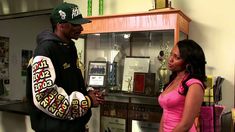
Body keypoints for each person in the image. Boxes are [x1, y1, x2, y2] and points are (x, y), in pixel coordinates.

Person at [26, 2, 104, 132]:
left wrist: (88, 93)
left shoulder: (69, 47)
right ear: (61, 25)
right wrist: (87, 102)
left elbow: (71, 83)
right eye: (75, 24)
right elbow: (46, 99)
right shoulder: (45, 51)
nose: (81, 28)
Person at [158, 39, 207, 132]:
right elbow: (165, 112)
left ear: (188, 63)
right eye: (171, 54)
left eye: (177, 57)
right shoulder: (174, 79)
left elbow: (185, 125)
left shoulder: (195, 85)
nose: (170, 59)